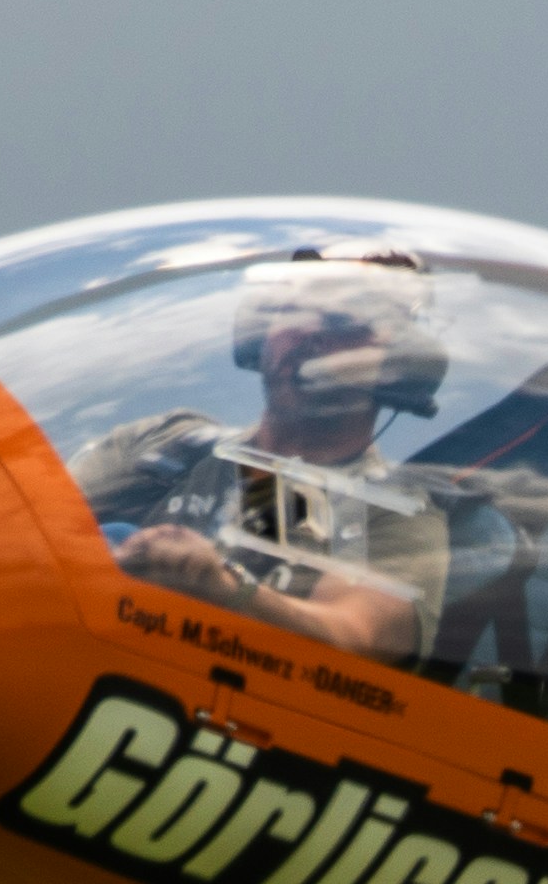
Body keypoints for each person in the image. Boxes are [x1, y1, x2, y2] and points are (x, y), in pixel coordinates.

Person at [93, 261, 461, 653]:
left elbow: (352, 636)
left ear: (400, 367)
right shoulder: (164, 444)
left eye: (344, 320)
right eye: (293, 310)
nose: (310, 333)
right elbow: (33, 513)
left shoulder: (396, 517)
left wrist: (221, 587)